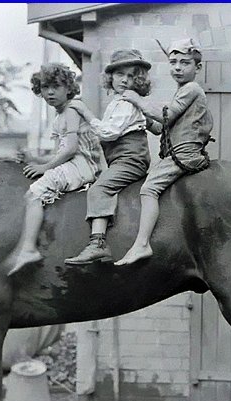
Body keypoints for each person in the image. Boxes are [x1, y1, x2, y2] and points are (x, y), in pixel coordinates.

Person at [114, 38, 213, 265]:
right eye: (173, 62)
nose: (177, 67)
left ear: (197, 68)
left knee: (149, 189)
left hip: (184, 153)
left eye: (185, 63)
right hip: (176, 151)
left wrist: (138, 100)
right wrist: (142, 118)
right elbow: (160, 128)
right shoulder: (182, 91)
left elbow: (166, 114)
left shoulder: (192, 89)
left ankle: (142, 244)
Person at [64, 49, 161, 265]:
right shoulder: (122, 102)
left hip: (130, 159)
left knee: (100, 188)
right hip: (123, 159)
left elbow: (109, 133)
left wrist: (85, 113)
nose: (125, 80)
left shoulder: (126, 103)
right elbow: (155, 127)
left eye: (131, 76)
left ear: (139, 80)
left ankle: (97, 243)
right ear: (111, 77)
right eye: (120, 75)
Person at [6, 63, 103, 275]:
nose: (50, 92)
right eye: (45, 87)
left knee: (34, 194)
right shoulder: (60, 116)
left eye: (56, 86)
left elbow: (69, 150)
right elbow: (59, 153)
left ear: (68, 87)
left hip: (83, 166)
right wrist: (34, 158)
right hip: (75, 163)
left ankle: (29, 248)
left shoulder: (71, 110)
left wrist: (44, 167)